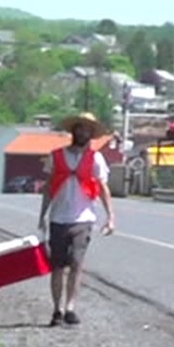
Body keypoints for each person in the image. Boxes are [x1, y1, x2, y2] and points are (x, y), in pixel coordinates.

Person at [38, 112, 117, 327]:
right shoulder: (56, 156)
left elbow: (102, 187)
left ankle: (71, 307)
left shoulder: (95, 158)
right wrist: (42, 216)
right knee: (57, 266)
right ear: (73, 131)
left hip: (83, 218)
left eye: (87, 130)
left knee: (76, 263)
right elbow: (48, 189)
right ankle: (57, 309)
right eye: (80, 128)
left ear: (91, 134)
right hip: (58, 217)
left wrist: (110, 216)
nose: (83, 133)